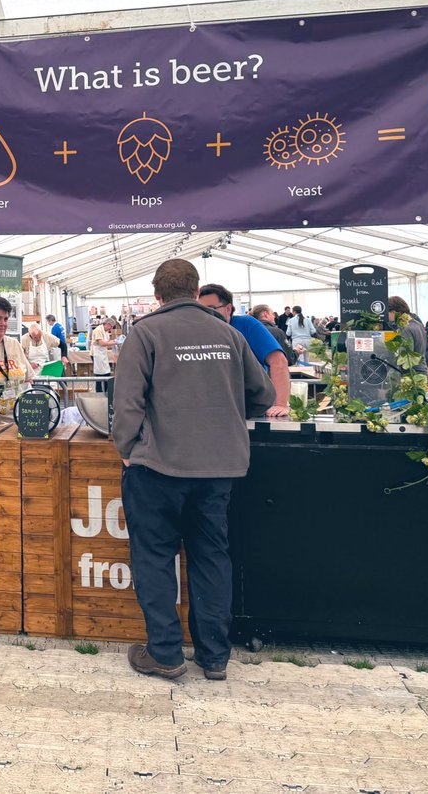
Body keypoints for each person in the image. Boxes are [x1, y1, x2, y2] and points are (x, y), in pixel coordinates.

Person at [114, 259, 274, 682]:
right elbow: (262, 395)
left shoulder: (146, 332)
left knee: (154, 559)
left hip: (157, 469)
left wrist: (126, 448)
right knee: (210, 558)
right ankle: (214, 656)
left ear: (158, 295)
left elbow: (126, 403)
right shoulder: (229, 334)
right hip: (217, 469)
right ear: (195, 288)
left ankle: (165, 653)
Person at [198, 285, 289, 418]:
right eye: (200, 309)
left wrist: (281, 404)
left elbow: (279, 361)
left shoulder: (246, 325)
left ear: (228, 309)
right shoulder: (198, 331)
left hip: (248, 408)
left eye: (211, 308)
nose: (206, 314)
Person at [386, 296, 428, 375]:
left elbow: (405, 358)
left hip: (411, 375)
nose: (387, 317)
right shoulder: (418, 324)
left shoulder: (405, 329)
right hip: (421, 370)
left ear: (394, 312)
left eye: (387, 313)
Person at [90, 316, 117, 392]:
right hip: (96, 354)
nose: (110, 329)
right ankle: (99, 392)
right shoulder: (98, 330)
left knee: (106, 373)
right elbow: (102, 343)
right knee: (99, 375)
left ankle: (106, 391)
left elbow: (107, 342)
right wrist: (114, 342)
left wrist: (113, 342)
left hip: (102, 354)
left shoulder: (105, 331)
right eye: (110, 327)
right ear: (107, 324)